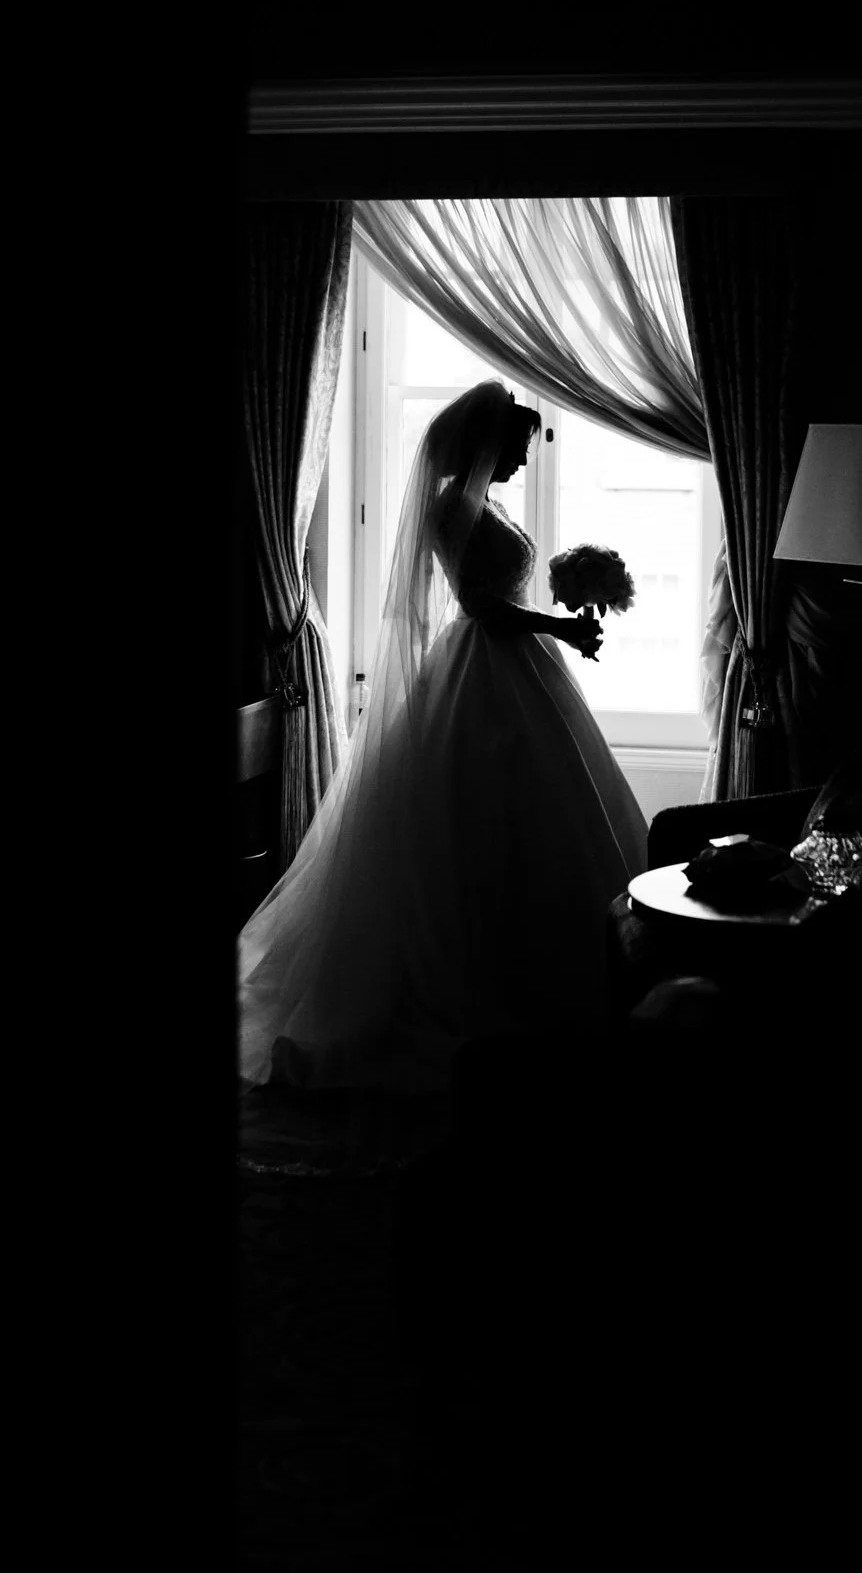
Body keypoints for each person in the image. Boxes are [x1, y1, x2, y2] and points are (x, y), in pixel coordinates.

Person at [238, 379, 649, 1102]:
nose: (524, 459)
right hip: (481, 673)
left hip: (518, 671)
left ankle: (560, 982)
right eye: (518, 445)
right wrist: (557, 627)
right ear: (486, 442)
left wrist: (564, 600)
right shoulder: (448, 508)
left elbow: (507, 592)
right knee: (476, 827)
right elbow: (483, 605)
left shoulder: (484, 505)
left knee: (546, 817)